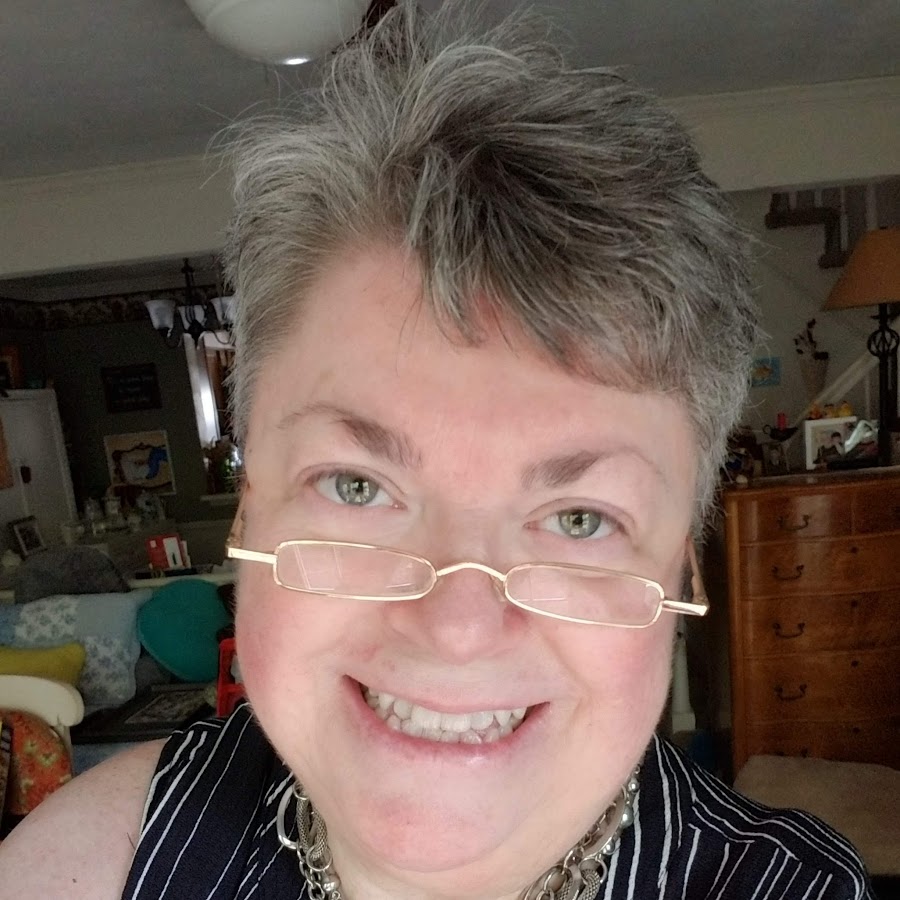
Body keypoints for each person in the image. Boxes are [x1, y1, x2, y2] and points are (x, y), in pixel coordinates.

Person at [0, 3, 874, 898]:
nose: (457, 628)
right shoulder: (87, 869)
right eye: (356, 485)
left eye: (580, 518)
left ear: (680, 579)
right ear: (250, 517)